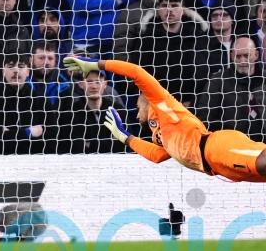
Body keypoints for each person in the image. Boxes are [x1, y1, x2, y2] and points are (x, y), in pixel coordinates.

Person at [64, 56, 266, 183]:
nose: (136, 114)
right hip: (217, 167)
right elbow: (158, 156)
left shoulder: (162, 103)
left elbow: (136, 72)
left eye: (137, 107)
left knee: (261, 163)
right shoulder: (159, 134)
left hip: (215, 147)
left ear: (145, 100)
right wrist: (125, 137)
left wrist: (95, 64)